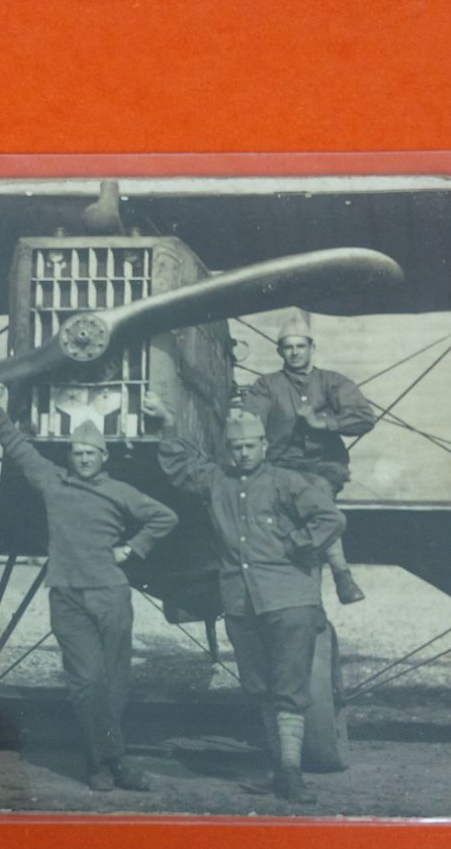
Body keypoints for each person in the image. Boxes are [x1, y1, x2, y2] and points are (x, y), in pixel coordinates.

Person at [143, 391, 344, 803]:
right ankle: (279, 770)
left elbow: (330, 518)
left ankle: (291, 774)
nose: (243, 454)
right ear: (227, 450)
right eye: (235, 448)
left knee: (289, 687)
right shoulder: (217, 481)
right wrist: (166, 423)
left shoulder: (288, 482)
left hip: (289, 601)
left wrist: (297, 543)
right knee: (259, 688)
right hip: (240, 603)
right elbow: (182, 467)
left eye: (250, 446)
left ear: (264, 447)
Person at [0, 382, 178, 792]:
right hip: (67, 596)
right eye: (78, 453)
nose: (85, 459)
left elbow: (164, 517)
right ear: (69, 456)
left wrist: (133, 548)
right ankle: (112, 761)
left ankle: (102, 763)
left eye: (92, 453)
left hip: (111, 595)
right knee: (87, 682)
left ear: (104, 457)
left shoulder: (120, 492)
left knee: (114, 682)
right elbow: (20, 450)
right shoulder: (53, 483)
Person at [241, 310, 375, 604]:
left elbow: (365, 417)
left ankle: (341, 574)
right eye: (289, 347)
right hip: (279, 468)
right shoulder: (267, 385)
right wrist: (255, 431)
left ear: (312, 348)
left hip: (323, 468)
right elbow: (252, 419)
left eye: (301, 346)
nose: (295, 352)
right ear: (280, 351)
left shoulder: (332, 382)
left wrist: (324, 422)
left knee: (317, 500)